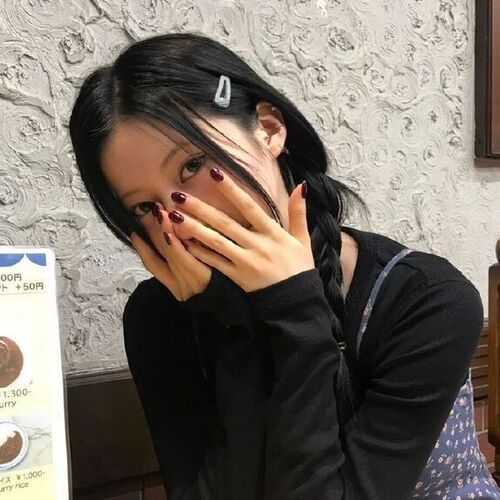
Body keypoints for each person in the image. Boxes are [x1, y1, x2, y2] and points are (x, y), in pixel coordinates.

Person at [68, 32, 500, 499]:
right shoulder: (160, 317)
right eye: (145, 207)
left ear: (269, 130)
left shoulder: (427, 300)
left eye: (192, 166)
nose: (183, 217)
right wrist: (242, 322)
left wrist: (295, 312)